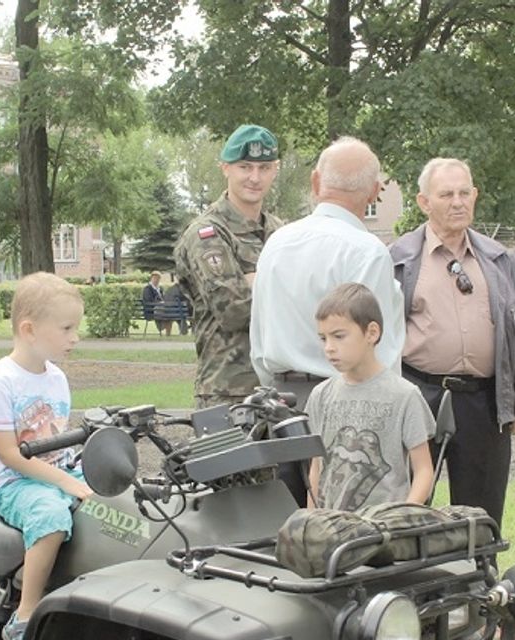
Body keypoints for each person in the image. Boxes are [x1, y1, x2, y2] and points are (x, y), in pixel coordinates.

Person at [250, 136, 405, 506]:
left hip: (280, 403)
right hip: (348, 405)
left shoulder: (277, 243)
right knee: (342, 535)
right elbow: (375, 346)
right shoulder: (366, 251)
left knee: (282, 530)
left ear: (316, 182)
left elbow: (258, 335)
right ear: (374, 192)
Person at [389, 157, 515, 532]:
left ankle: (481, 584)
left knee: (481, 515)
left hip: (482, 403)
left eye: (464, 193)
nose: (457, 202)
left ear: (475, 196)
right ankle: (409, 587)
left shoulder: (497, 258)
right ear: (424, 202)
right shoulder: (399, 259)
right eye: (446, 194)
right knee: (409, 508)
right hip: (418, 395)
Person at [0, 273, 94, 640]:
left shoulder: (55, 377)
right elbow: (9, 455)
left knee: (114, 502)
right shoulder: (0, 383)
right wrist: (66, 483)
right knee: (51, 515)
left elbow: (59, 439)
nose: (75, 337)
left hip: (56, 471)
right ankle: (25, 616)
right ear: (29, 329)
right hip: (14, 483)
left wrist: (76, 477)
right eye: (66, 328)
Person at [174, 124, 283, 408]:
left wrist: (253, 280)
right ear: (226, 168)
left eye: (264, 167)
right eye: (245, 167)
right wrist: (281, 284)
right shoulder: (207, 233)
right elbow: (234, 309)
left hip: (280, 388)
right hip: (227, 392)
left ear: (275, 169)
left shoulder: (281, 232)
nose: (254, 177)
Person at [305, 283, 435, 512]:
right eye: (323, 338)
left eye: (338, 336)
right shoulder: (320, 395)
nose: (329, 348)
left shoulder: (405, 395)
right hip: (331, 530)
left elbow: (424, 470)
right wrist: (311, 521)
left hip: (383, 534)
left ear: (372, 333)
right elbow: (316, 467)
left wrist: (402, 518)